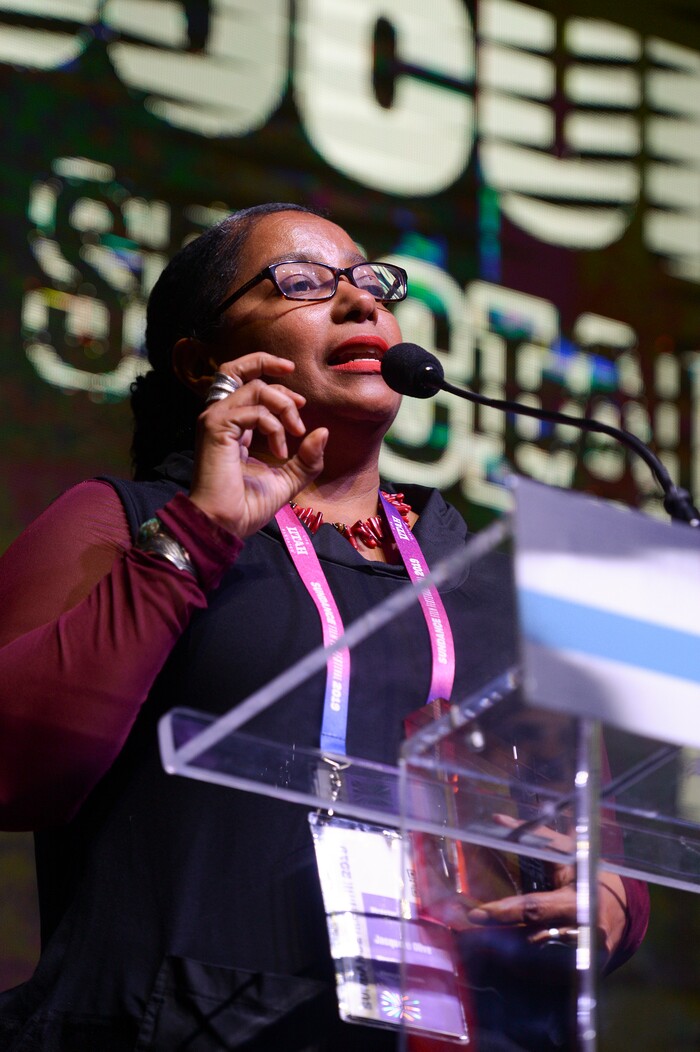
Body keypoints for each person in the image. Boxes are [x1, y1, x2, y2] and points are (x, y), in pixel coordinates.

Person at [0, 203, 647, 1051]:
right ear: (201, 363)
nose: (359, 301)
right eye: (302, 282)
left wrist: (606, 902)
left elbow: (602, 841)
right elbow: (15, 770)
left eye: (370, 281)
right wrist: (199, 534)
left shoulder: (494, 583)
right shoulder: (121, 525)